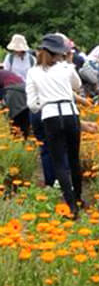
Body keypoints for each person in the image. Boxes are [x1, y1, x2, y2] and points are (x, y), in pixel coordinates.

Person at [26, 34, 83, 217]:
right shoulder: (66, 67)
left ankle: (71, 206)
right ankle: (79, 197)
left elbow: (32, 104)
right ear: (59, 53)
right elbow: (78, 84)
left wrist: (44, 103)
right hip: (70, 112)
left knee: (59, 162)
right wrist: (69, 63)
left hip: (50, 115)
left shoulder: (33, 72)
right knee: (74, 159)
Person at [0, 70, 30, 138]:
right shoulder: (5, 73)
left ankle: (18, 141)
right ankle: (24, 142)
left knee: (15, 123)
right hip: (25, 93)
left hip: (14, 93)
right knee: (25, 123)